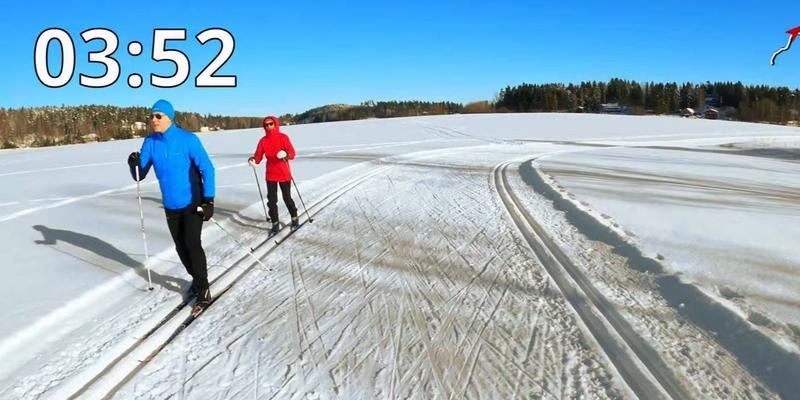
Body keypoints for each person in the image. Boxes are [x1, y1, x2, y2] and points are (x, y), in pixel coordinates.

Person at [127, 99, 216, 309]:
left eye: (158, 116)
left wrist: (209, 200)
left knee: (192, 244)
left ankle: (203, 288)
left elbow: (208, 169)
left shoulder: (188, 140)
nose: (154, 120)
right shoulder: (150, 142)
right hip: (170, 205)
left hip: (191, 200)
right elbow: (140, 174)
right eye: (151, 116)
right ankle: (195, 278)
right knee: (180, 247)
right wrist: (134, 164)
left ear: (169, 117)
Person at [248, 116, 298, 236]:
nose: (269, 126)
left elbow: (292, 153)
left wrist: (285, 154)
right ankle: (275, 223)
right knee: (271, 200)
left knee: (287, 198)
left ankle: (294, 218)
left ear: (275, 124)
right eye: (266, 125)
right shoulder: (263, 141)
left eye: (271, 124)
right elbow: (258, 156)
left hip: (284, 172)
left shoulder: (283, 137)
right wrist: (253, 160)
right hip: (271, 174)